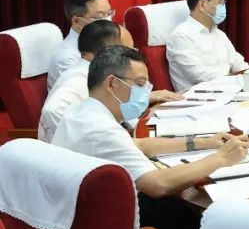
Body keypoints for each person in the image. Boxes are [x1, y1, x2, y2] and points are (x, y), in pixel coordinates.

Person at [51, 45, 248, 229]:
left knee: (181, 214)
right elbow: (157, 184)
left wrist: (203, 142)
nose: (146, 92)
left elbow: (138, 145)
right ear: (112, 83)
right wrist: (221, 159)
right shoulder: (100, 129)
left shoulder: (82, 113)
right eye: (140, 84)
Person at [39, 23, 181, 142]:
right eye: (128, 50)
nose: (133, 55)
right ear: (108, 53)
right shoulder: (79, 79)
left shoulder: (97, 73)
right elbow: (52, 111)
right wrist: (84, 143)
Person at [166, 0, 248, 91]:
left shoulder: (219, 34)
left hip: (229, 90)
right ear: (202, 5)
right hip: (199, 97)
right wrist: (236, 79)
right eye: (220, 2)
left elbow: (238, 62)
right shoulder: (181, 36)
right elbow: (201, 76)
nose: (223, 7)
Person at [47, 0, 114, 90]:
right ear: (76, 21)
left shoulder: (104, 43)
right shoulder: (67, 58)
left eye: (109, 13)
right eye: (100, 16)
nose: (108, 21)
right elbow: (93, 94)